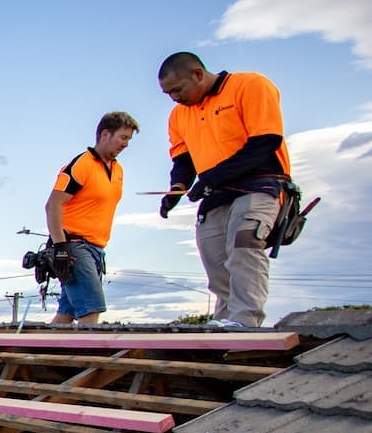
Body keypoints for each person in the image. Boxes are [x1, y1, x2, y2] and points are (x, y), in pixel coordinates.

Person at [156, 51, 291, 329]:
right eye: (168, 93)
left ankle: (245, 320)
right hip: (215, 194)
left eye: (177, 90)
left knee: (244, 244)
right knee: (214, 256)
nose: (174, 98)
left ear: (197, 74)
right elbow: (183, 161)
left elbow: (265, 142)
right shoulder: (179, 115)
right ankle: (226, 322)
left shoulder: (250, 85)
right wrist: (176, 190)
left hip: (258, 184)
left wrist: (211, 178)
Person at [45, 111, 139, 325]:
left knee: (65, 315)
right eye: (123, 138)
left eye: (129, 140)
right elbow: (52, 205)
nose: (126, 144)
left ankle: (40, 356)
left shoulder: (118, 170)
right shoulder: (81, 165)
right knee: (91, 310)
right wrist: (60, 247)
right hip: (75, 246)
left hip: (97, 248)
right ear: (105, 134)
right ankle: (88, 355)